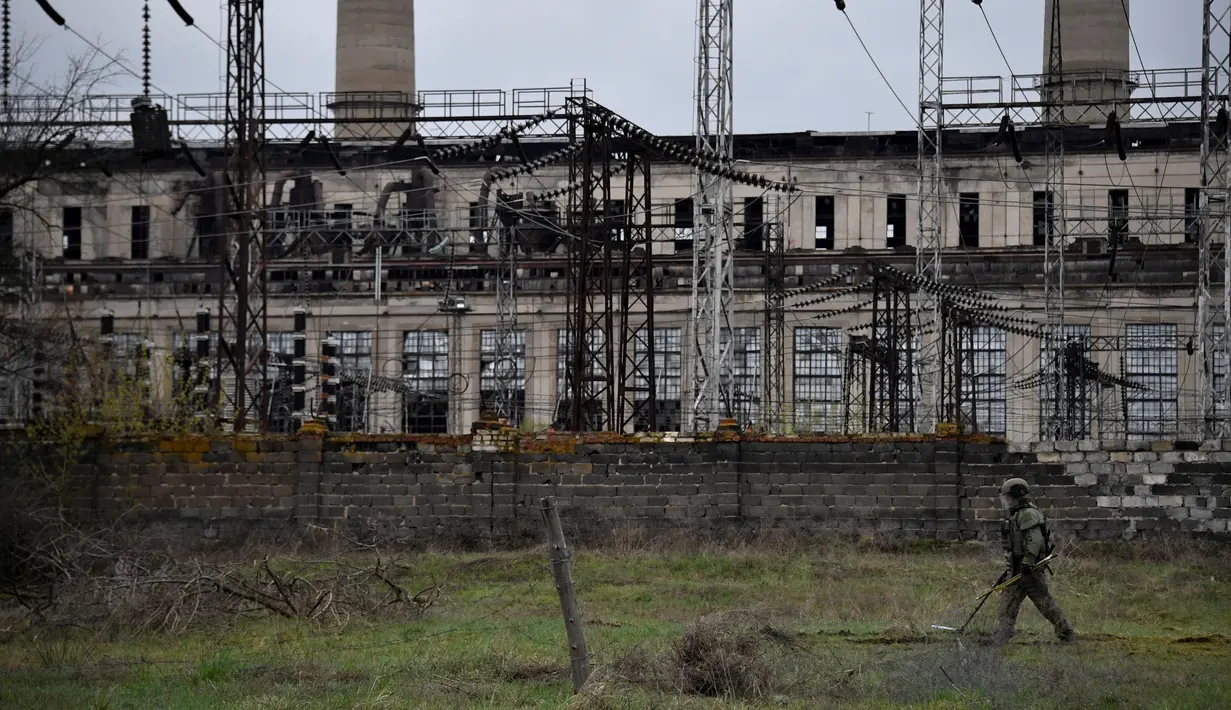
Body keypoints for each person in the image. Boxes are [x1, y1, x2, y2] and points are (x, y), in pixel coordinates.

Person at [992, 477, 1076, 645]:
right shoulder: (1017, 516)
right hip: (1019, 568)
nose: (1006, 502)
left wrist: (1028, 562)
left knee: (1043, 602)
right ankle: (1004, 633)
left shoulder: (1028, 515)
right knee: (1008, 601)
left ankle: (1066, 633)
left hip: (1030, 569)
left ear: (1018, 496)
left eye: (1008, 498)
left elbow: (1035, 540)